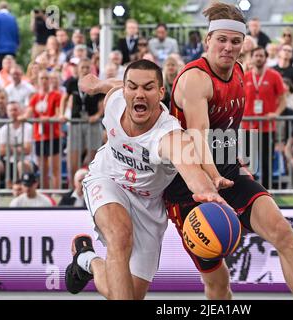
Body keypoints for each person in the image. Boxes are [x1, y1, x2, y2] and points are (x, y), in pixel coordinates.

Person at [166, 2, 293, 300]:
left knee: (283, 232)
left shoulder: (238, 71)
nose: (228, 47)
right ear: (207, 40)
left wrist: (237, 164)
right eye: (221, 40)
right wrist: (212, 176)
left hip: (227, 172)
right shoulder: (195, 79)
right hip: (188, 186)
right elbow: (198, 136)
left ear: (244, 44)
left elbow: (225, 132)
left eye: (235, 41)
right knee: (219, 285)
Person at [65, 59, 227, 300]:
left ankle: (88, 260)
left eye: (149, 88)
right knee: (119, 237)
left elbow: (192, 171)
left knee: (125, 293)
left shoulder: (170, 136)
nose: (139, 94)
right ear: (125, 89)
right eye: (132, 87)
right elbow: (114, 86)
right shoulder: (116, 100)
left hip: (148, 204)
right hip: (107, 179)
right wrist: (97, 84)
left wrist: (208, 193)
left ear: (161, 92)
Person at [242, 46, 286, 188]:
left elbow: (283, 100)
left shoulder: (274, 76)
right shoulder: (245, 76)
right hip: (248, 126)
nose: (259, 58)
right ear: (252, 58)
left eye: (261, 56)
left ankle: (266, 192)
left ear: (266, 58)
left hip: (267, 127)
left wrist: (276, 113)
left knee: (266, 162)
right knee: (248, 163)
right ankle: (249, 191)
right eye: (256, 55)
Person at [60, 58, 104, 187]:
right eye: (82, 67)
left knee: (93, 155)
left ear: (91, 69)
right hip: (76, 121)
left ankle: (93, 186)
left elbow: (102, 103)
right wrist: (62, 114)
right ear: (78, 69)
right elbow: (65, 98)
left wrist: (97, 115)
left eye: (87, 67)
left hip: (92, 122)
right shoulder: (72, 82)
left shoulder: (96, 83)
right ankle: (73, 187)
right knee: (73, 154)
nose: (84, 70)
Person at [0, 101, 34, 189]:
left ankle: (22, 192)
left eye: (15, 110)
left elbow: (27, 150)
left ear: (21, 111)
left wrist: (9, 148)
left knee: (22, 164)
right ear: (7, 112)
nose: (13, 112)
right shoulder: (4, 129)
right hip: (7, 160)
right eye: (10, 110)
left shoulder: (28, 127)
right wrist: (19, 148)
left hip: (26, 160)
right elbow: (1, 151)